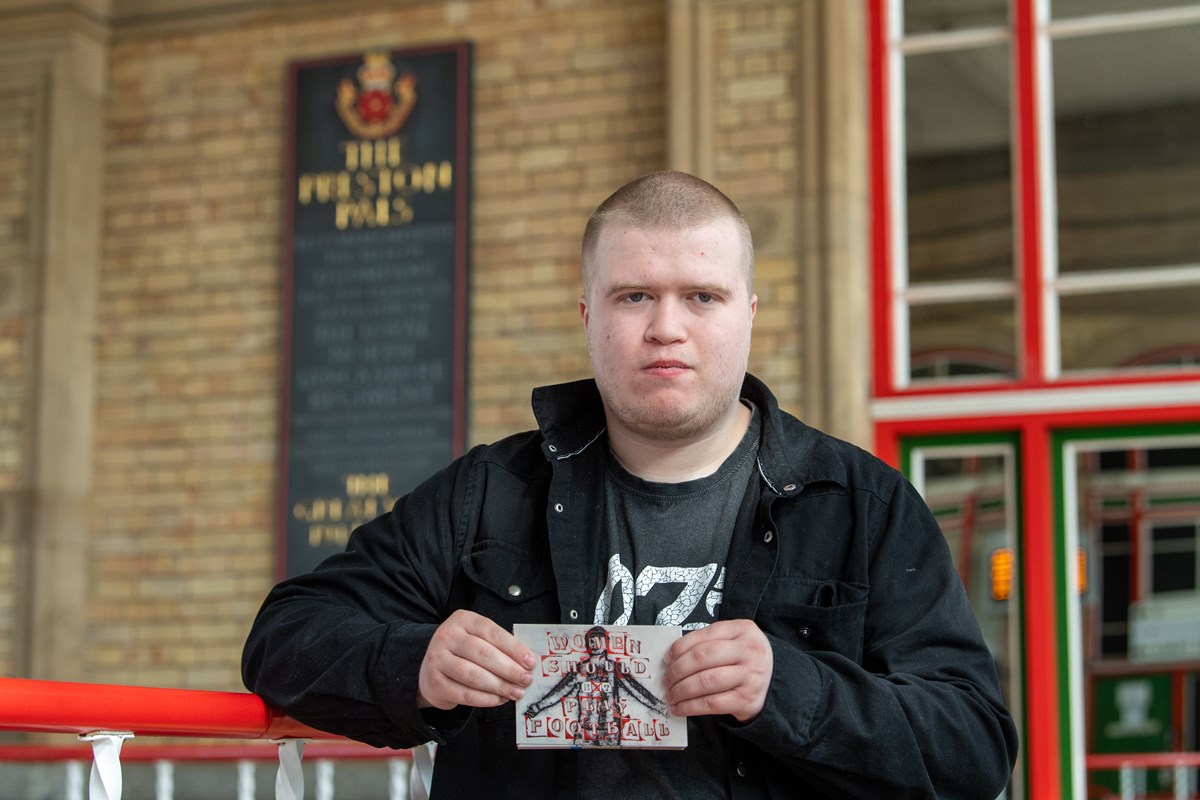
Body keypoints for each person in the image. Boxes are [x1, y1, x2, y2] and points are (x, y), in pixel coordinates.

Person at [243, 170, 1018, 798]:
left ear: (748, 314)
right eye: (634, 296)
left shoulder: (862, 505)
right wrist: (414, 663)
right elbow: (285, 636)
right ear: (589, 314)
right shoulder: (489, 492)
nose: (666, 328)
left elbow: (973, 748)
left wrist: (791, 688)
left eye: (702, 297)